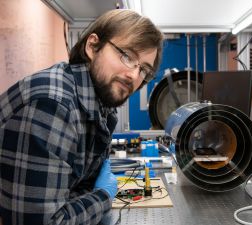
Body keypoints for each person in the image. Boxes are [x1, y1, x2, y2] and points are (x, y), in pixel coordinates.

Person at [0, 9, 163, 225]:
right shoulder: (54, 106)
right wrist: (104, 196)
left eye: (144, 70)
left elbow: (78, 187)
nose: (134, 75)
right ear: (92, 46)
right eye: (126, 56)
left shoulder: (101, 105)